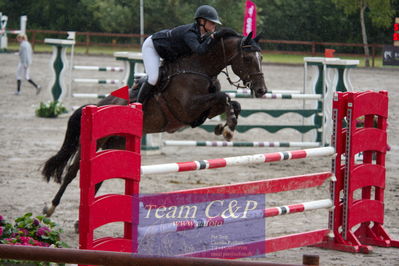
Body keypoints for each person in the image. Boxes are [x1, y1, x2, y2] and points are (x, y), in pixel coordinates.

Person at [137, 4, 222, 103]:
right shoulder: (190, 34)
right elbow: (199, 51)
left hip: (170, 53)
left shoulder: (202, 35)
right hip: (153, 47)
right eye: (212, 22)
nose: (214, 25)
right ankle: (138, 105)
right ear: (202, 21)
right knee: (153, 79)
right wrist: (211, 39)